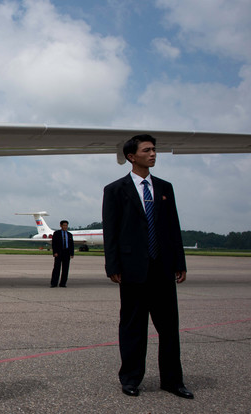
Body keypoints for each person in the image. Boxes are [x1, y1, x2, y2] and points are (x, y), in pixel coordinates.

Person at [102, 134, 193, 399]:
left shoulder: (165, 188)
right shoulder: (116, 190)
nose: (153, 154)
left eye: (154, 150)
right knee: (133, 327)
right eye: (147, 150)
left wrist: (179, 261)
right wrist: (113, 266)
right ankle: (130, 378)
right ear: (132, 156)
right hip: (132, 270)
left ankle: (173, 381)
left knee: (169, 328)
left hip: (162, 269)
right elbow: (112, 231)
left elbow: (173, 227)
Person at [50, 220, 74, 287]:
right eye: (64, 225)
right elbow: (54, 244)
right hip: (59, 253)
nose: (65, 227)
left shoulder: (69, 234)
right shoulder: (56, 233)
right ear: (60, 226)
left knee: (65, 269)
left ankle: (63, 283)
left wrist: (72, 253)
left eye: (66, 225)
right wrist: (55, 252)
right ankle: (54, 283)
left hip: (66, 253)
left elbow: (71, 244)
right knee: (56, 268)